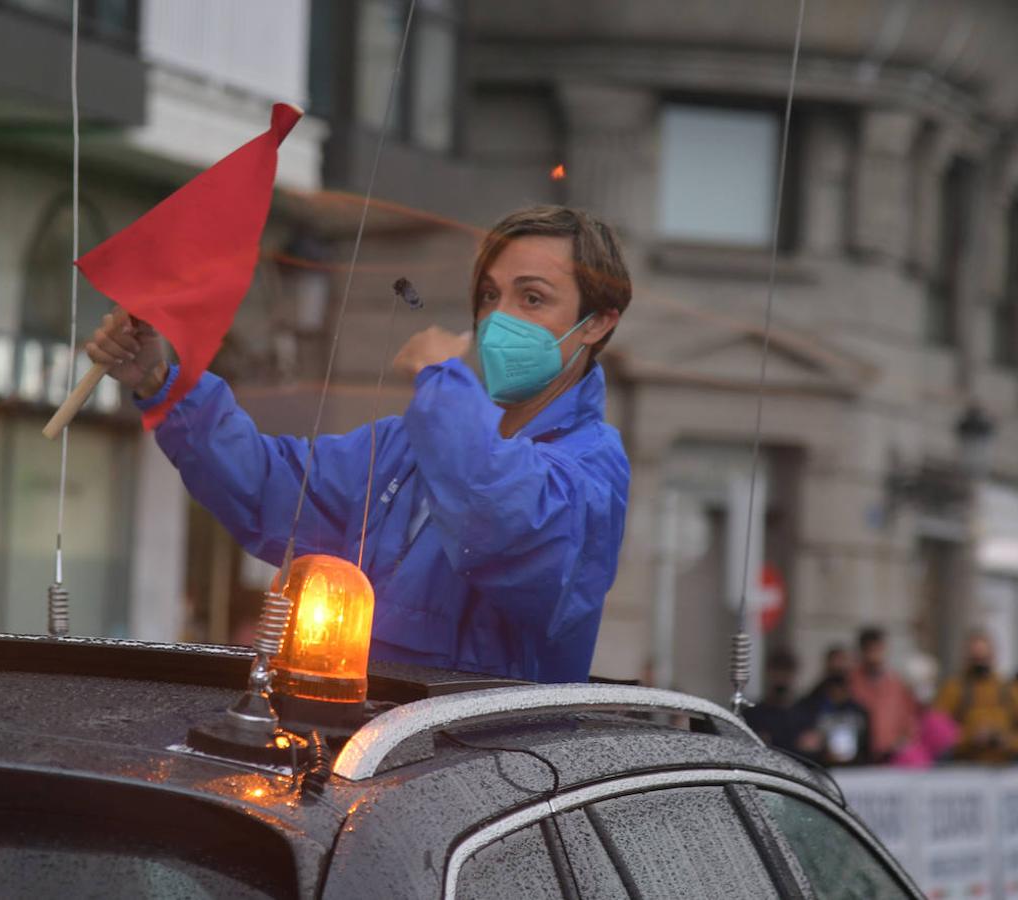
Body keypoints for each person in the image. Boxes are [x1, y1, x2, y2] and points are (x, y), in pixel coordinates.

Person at [88, 206, 632, 683]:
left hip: (496, 783)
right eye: (490, 295)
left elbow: (498, 515)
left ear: (596, 323)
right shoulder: (410, 443)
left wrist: (442, 381)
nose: (498, 318)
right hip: (367, 759)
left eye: (532, 298)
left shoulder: (592, 467)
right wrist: (162, 381)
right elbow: (271, 488)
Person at [934, 629, 1018, 763]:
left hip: (1005, 769)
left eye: (984, 658)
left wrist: (1009, 741)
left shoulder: (1012, 689)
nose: (980, 664)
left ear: (993, 655)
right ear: (967, 658)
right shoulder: (954, 689)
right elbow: (937, 733)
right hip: (964, 769)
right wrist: (970, 738)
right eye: (976, 659)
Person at [848, 626, 918, 763]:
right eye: (871, 650)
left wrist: (903, 739)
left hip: (891, 755)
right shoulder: (851, 682)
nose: (875, 655)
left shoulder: (895, 682)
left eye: (878, 649)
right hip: (860, 755)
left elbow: (908, 716)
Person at [795, 646, 872, 767]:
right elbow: (803, 743)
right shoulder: (808, 707)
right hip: (821, 770)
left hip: (854, 772)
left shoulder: (859, 711)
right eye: (834, 671)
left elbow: (868, 748)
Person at [745, 648, 809, 750]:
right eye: (777, 672)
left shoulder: (805, 714)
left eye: (786, 672)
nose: (781, 678)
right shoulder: (753, 714)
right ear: (769, 673)